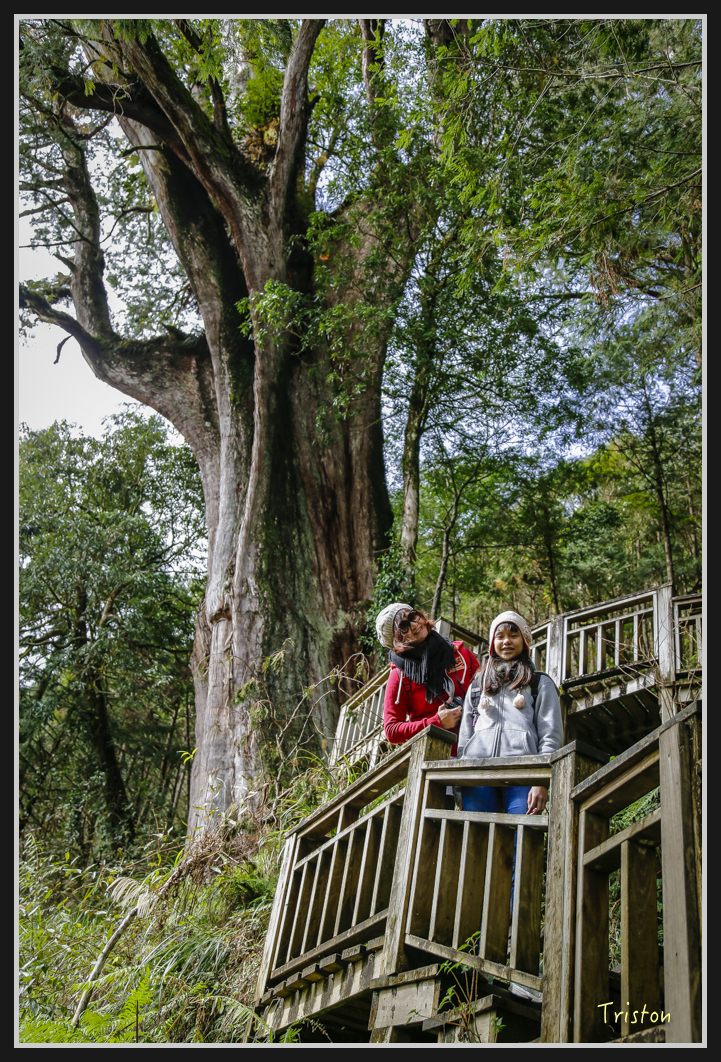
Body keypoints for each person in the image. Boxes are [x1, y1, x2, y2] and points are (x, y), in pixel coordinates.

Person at [456, 609, 562, 1002]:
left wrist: (540, 779)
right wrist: (462, 774)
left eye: (512, 634)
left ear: (525, 641)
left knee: (524, 862)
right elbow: (466, 735)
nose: (505, 641)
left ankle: (523, 970)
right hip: (479, 778)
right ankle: (477, 964)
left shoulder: (540, 683)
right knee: (480, 863)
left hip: (522, 777)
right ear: (491, 642)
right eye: (499, 636)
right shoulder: (477, 685)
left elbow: (550, 734)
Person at [376, 602, 480, 756]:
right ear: (396, 639)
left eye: (413, 616)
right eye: (404, 626)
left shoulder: (460, 653)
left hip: (479, 747)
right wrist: (436, 722)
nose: (414, 625)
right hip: (437, 757)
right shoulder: (400, 675)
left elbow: (486, 691)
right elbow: (392, 730)